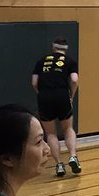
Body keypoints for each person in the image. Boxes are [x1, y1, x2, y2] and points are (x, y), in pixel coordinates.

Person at [31, 37, 80, 177]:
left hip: (44, 96)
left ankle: (59, 165)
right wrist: (71, 95)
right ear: (66, 49)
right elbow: (75, 80)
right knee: (68, 128)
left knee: (51, 133)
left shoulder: (41, 61)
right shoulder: (70, 61)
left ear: (53, 48)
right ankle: (72, 156)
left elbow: (34, 83)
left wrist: (42, 94)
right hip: (62, 95)